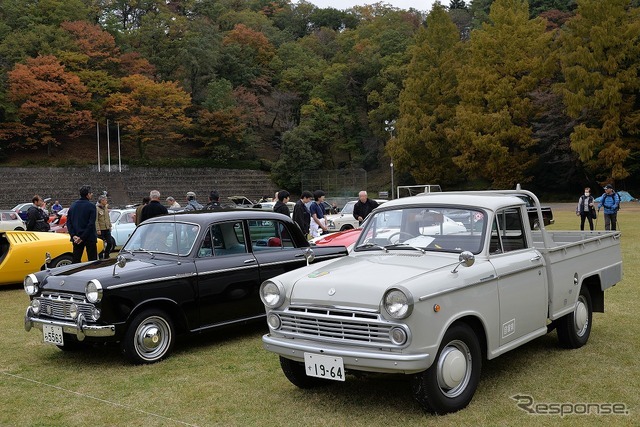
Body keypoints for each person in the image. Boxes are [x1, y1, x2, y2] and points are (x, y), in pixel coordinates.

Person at [67, 185, 98, 263]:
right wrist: (82, 237)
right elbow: (91, 224)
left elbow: (69, 222)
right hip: (89, 237)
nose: (92, 195)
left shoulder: (73, 206)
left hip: (76, 237)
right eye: (91, 193)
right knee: (92, 260)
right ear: (87, 194)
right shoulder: (91, 206)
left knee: (76, 260)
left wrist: (73, 235)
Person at [95, 194, 113, 259]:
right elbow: (96, 220)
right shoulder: (96, 208)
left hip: (106, 228)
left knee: (110, 242)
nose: (106, 201)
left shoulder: (105, 208)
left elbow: (108, 217)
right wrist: (98, 229)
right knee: (101, 244)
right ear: (102, 201)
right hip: (101, 229)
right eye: (105, 200)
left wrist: (110, 226)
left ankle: (106, 255)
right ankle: (100, 257)